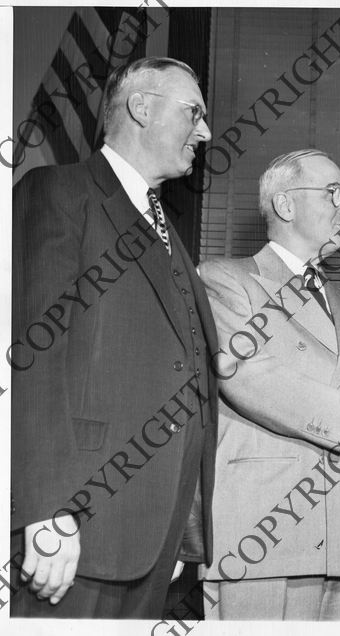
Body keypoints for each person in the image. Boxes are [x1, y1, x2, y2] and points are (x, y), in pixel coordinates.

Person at [10, 57, 217, 618]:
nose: (205, 132)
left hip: (155, 540)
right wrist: (47, 509)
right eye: (194, 113)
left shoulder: (167, 229)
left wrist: (186, 529)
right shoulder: (57, 192)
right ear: (142, 107)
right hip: (75, 528)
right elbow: (32, 355)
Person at [198, 149, 340, 621]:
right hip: (263, 538)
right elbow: (245, 371)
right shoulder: (226, 279)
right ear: (285, 204)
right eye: (333, 194)